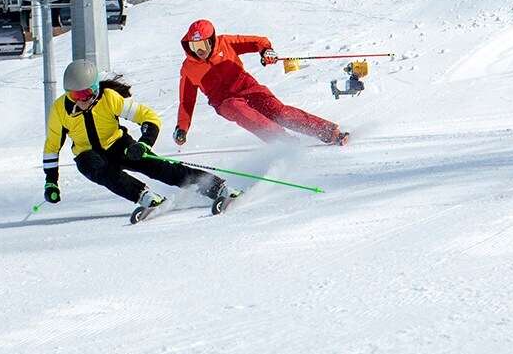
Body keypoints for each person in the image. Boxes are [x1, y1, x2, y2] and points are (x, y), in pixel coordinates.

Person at [42, 58, 230, 222]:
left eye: (86, 93)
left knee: (159, 168)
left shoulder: (109, 98)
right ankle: (145, 197)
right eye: (74, 95)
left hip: (118, 145)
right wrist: (51, 181)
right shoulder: (60, 110)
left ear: (96, 88)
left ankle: (217, 187)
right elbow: (52, 146)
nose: (81, 100)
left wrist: (144, 143)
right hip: (88, 154)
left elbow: (148, 117)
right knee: (98, 169)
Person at [172, 19, 350, 147]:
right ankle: (286, 144)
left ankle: (330, 132)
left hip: (247, 86)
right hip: (224, 101)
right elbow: (186, 102)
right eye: (195, 47)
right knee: (241, 111)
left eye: (203, 45)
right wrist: (182, 128)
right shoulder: (188, 68)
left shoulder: (225, 43)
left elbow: (258, 41)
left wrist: (266, 51)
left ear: (212, 40)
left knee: (278, 112)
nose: (200, 51)